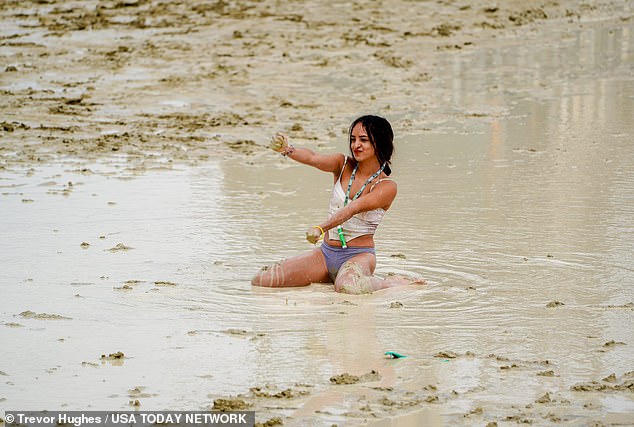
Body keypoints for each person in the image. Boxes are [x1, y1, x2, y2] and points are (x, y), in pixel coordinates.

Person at [251, 115, 425, 294]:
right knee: (263, 280)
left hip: (358, 256)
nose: (355, 145)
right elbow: (312, 158)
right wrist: (287, 149)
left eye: (363, 140)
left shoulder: (387, 186)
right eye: (353, 139)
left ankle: (390, 283)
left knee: (347, 287)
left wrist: (320, 228)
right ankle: (332, 276)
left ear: (379, 143)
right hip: (325, 254)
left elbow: (352, 209)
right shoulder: (342, 165)